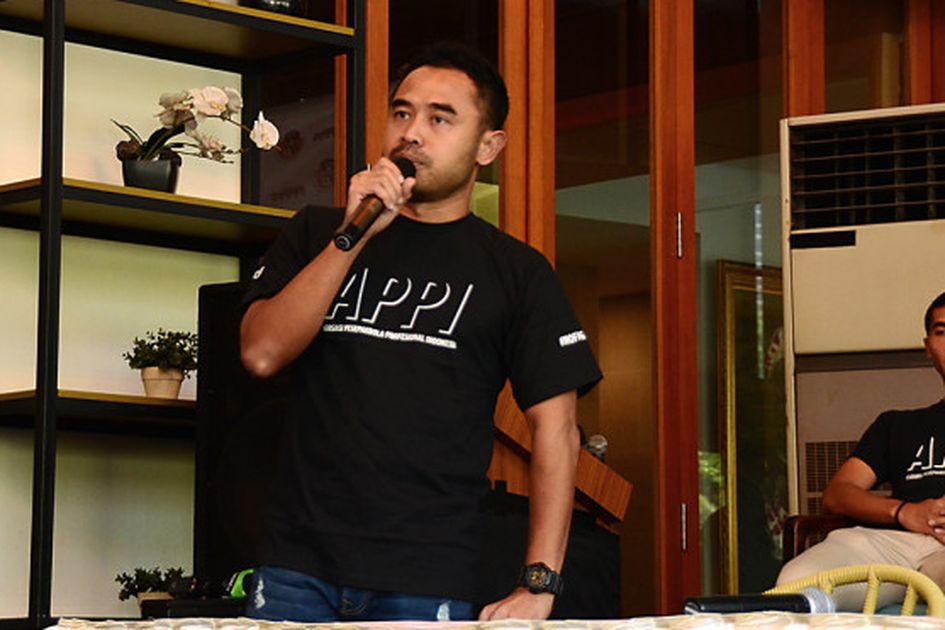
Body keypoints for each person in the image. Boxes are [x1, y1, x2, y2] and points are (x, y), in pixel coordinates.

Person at [238, 42, 601, 623]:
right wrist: (351, 238)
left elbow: (556, 430)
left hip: (428, 574)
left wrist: (539, 582)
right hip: (297, 567)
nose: (411, 133)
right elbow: (261, 353)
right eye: (402, 113)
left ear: (488, 146)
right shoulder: (317, 234)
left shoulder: (517, 273)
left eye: (440, 119)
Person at [775, 290, 945, 610]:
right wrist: (904, 512)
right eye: (942, 331)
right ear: (928, 347)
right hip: (895, 546)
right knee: (796, 583)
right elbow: (838, 494)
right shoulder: (896, 425)